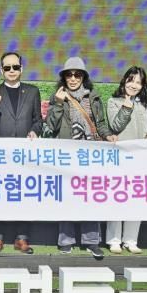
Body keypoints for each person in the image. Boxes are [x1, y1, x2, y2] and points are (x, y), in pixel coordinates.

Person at [46, 56, 116, 260]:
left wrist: (108, 135)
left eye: (77, 75)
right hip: (67, 155)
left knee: (90, 196)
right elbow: (50, 126)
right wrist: (58, 103)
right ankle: (66, 241)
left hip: (89, 155)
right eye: (69, 75)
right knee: (67, 196)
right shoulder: (57, 96)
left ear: (83, 77)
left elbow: (100, 123)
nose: (73, 78)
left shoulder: (93, 97)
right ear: (64, 77)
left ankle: (92, 241)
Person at [0, 51, 42, 255]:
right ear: (1, 70)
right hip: (1, 154)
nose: (11, 70)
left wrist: (35, 131)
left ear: (21, 69)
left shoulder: (32, 91)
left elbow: (38, 120)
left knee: (24, 195)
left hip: (26, 154)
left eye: (15, 67)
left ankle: (22, 239)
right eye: (7, 67)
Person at [106, 66, 147, 255]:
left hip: (140, 159)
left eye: (138, 82)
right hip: (119, 158)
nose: (134, 85)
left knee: (136, 199)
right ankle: (114, 240)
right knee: (117, 197)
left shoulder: (146, 106)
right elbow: (115, 126)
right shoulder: (113, 102)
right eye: (131, 80)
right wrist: (126, 106)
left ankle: (131, 240)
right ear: (124, 81)